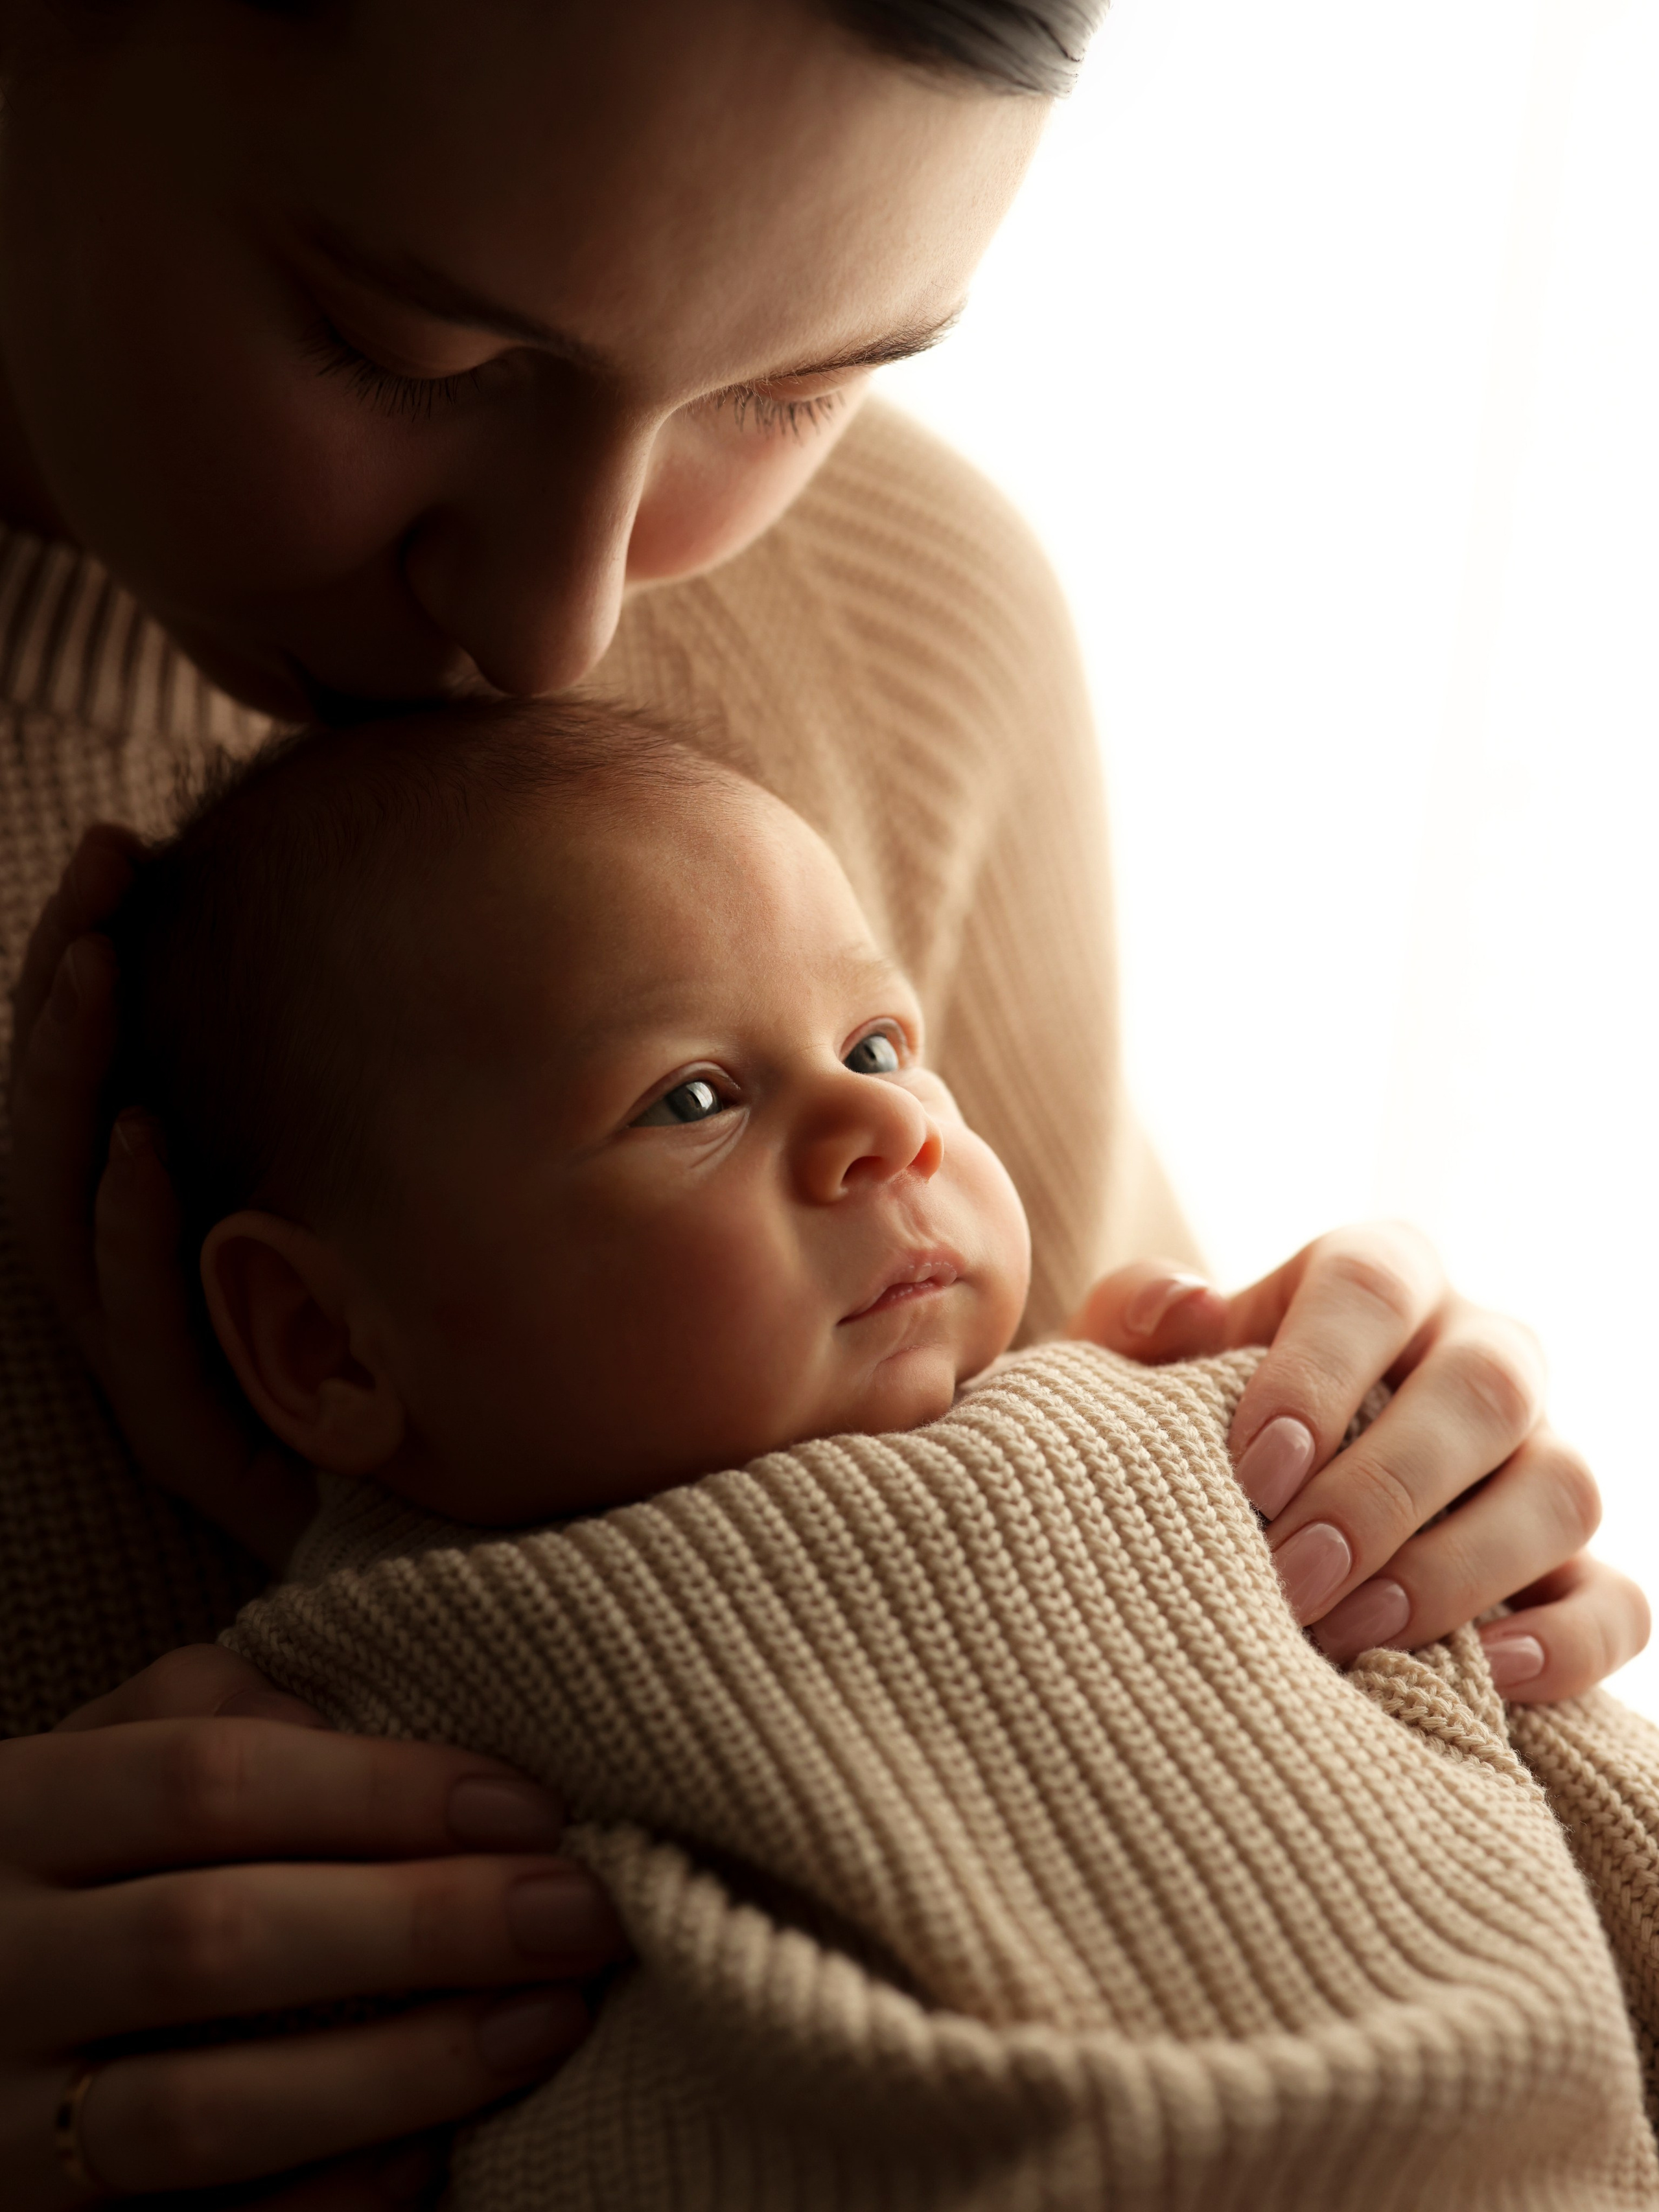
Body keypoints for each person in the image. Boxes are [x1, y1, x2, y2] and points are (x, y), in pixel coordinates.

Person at [0, 2, 1645, 2206]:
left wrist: (1400, 1480)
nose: (570, 618)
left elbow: (1036, 1466)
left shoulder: (919, 627)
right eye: (409, 348)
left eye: (801, 385)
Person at [101, 697, 1659, 2209]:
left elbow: (1556, 1773)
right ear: (328, 1345)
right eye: (692, 1097)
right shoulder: (364, 1692)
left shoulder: (1193, 1422)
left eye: (875, 1038)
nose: (884, 1123)